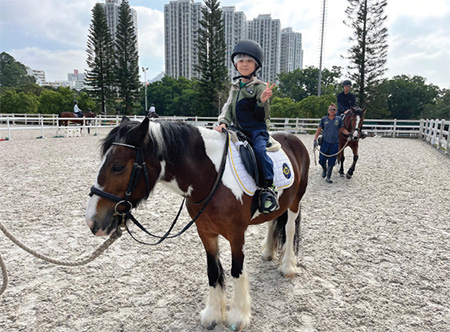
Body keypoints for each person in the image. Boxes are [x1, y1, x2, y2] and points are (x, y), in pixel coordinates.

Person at [214, 40, 277, 214]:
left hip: (257, 130)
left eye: (249, 61)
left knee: (259, 150)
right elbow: (227, 108)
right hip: (237, 129)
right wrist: (223, 123)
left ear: (256, 65)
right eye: (241, 61)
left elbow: (261, 116)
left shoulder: (259, 87)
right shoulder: (234, 87)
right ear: (236, 64)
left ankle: (268, 187)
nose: (244, 64)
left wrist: (262, 101)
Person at [313, 103, 350, 183]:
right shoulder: (324, 119)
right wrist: (315, 140)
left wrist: (349, 134)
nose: (332, 111)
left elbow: (342, 129)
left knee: (331, 161)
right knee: (321, 160)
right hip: (325, 143)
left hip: (335, 143)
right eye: (330, 110)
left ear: (336, 110)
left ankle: (328, 177)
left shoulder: (339, 120)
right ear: (328, 110)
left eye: (333, 110)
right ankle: (324, 169)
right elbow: (319, 130)